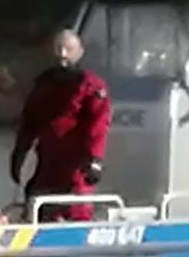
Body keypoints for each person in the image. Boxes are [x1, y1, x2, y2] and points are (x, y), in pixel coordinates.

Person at [10, 26, 112, 208]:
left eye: (68, 50)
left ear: (80, 53)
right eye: (59, 49)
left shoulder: (91, 87)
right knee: (35, 199)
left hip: (76, 167)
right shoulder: (43, 84)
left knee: (75, 208)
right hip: (48, 163)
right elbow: (29, 121)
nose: (63, 55)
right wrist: (20, 151)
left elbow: (98, 126)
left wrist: (94, 159)